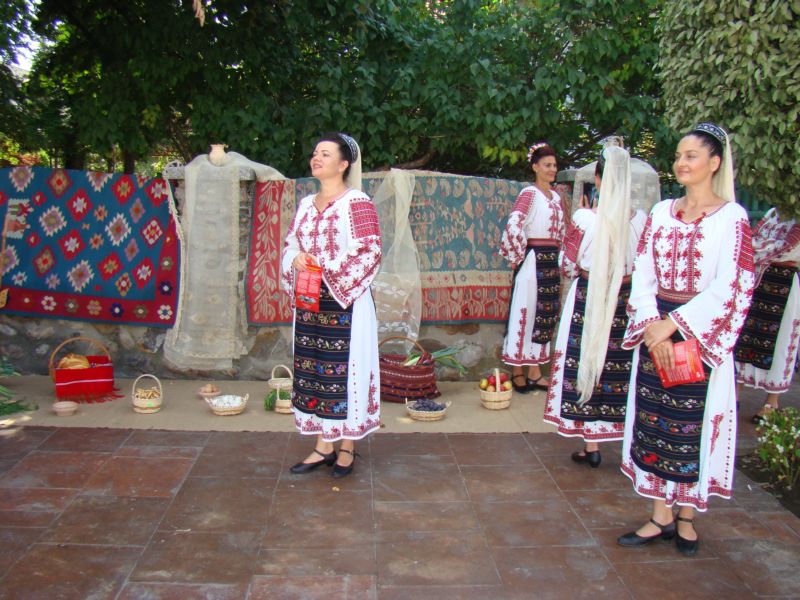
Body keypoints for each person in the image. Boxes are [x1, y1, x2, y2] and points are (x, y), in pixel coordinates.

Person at [618, 122, 754, 556]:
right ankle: (660, 515)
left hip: (698, 335)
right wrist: (651, 326)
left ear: (714, 162)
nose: (681, 162)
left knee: (690, 427)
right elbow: (643, 270)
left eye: (691, 155)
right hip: (655, 328)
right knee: (654, 422)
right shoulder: (661, 212)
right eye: (678, 155)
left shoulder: (732, 218)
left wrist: (673, 325)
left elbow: (732, 283)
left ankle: (687, 516)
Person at [280, 132, 381, 479]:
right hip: (310, 299)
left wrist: (326, 269)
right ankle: (324, 445)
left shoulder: (358, 202)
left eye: (325, 154)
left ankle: (347, 445)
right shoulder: (306, 205)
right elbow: (291, 243)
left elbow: (369, 250)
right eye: (314, 153)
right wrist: (296, 258)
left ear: (343, 164)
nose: (316, 158)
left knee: (344, 371)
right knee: (315, 369)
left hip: (345, 300)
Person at [543, 146, 647, 467]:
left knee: (588, 359)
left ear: (599, 180)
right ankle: (623, 440)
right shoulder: (642, 221)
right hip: (625, 299)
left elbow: (566, 264)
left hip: (589, 296)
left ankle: (592, 445)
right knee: (619, 364)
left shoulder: (585, 219)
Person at [500, 142, 565, 393]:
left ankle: (535, 372)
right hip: (533, 261)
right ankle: (518, 370)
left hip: (551, 261)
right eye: (547, 165)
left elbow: (561, 232)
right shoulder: (529, 194)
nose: (552, 169)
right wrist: (518, 253)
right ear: (535, 167)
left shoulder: (556, 197)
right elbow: (514, 222)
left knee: (544, 315)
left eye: (554, 165)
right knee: (525, 313)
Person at [734, 208, 800, 422]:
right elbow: (750, 238)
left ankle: (771, 402)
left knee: (781, 340)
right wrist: (757, 246)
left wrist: (756, 246)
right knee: (743, 336)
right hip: (756, 281)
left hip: (783, 283)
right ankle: (734, 395)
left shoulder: (798, 217)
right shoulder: (772, 213)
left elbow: (786, 249)